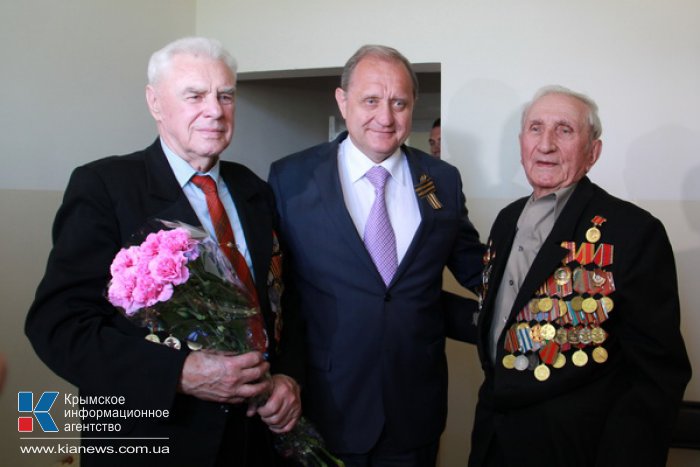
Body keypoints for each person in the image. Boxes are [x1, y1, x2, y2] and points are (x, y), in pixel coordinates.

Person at [25, 37, 303, 467]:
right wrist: (179, 374)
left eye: (225, 96)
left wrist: (288, 378)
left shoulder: (254, 190)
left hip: (254, 440)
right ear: (155, 103)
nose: (215, 111)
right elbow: (59, 326)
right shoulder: (105, 187)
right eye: (195, 96)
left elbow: (285, 304)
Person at [268, 44, 484, 466]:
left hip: (415, 408)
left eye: (399, 103)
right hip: (326, 405)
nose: (385, 118)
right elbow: (277, 291)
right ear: (342, 100)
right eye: (370, 100)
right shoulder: (291, 178)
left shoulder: (441, 179)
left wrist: (530, 302)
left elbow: (474, 266)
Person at [466, 85, 691, 467]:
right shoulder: (506, 221)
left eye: (564, 130)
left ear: (593, 152)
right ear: (522, 143)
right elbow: (506, 321)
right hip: (494, 441)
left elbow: (657, 376)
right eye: (536, 128)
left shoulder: (633, 231)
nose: (546, 144)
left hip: (575, 449)